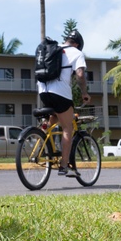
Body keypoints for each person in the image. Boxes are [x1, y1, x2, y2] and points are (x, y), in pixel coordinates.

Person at [37, 30, 91, 177]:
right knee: (67, 127)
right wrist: (84, 93)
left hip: (43, 92)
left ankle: (42, 144)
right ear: (78, 44)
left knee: (53, 119)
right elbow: (80, 75)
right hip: (61, 94)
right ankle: (64, 165)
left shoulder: (53, 48)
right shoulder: (76, 53)